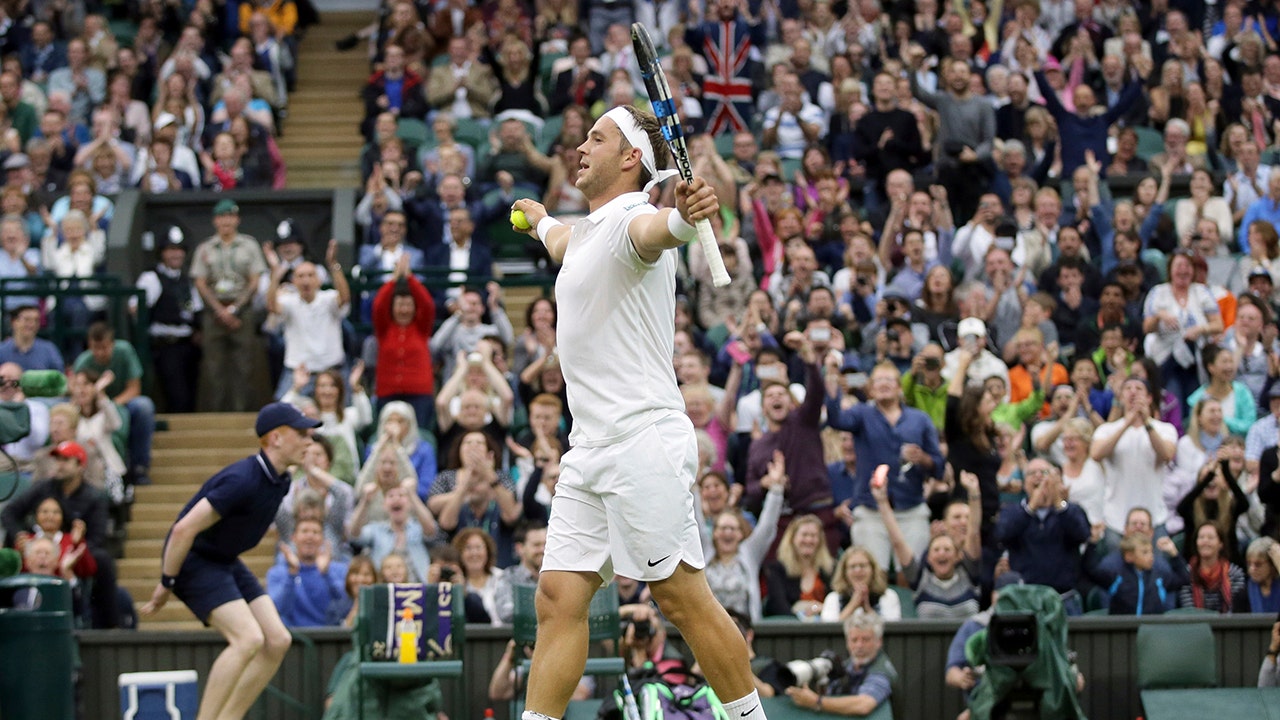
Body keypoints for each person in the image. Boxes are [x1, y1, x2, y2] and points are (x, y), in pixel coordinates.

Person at [508, 104, 769, 720]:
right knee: (557, 599)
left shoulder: (633, 223)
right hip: (587, 451)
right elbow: (560, 239)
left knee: (681, 599)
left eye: (595, 139)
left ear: (630, 158)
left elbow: (660, 231)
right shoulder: (586, 233)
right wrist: (538, 219)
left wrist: (683, 217)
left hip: (642, 441)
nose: (580, 148)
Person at [139, 403, 320, 720]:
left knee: (278, 640)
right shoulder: (242, 479)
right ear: (275, 438)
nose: (309, 440)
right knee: (248, 639)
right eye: (301, 433)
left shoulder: (282, 480)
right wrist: (167, 581)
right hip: (194, 560)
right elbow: (183, 529)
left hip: (223, 559)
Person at [1, 441, 117, 627]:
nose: (59, 465)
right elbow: (9, 512)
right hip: (37, 544)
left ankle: (108, 625)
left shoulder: (94, 497)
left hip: (75, 549)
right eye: (58, 460)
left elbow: (97, 537)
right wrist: (19, 536)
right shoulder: (43, 487)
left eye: (65, 460)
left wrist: (72, 546)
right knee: (9, 553)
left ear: (80, 465)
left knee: (102, 560)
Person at [190, 199, 267, 412]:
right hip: (213, 311)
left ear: (237, 219)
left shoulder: (249, 245)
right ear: (215, 220)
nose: (226, 221)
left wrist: (234, 309)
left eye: (230, 216)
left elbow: (254, 281)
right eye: (222, 216)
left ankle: (240, 413)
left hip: (242, 310)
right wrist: (219, 310)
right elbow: (200, 283)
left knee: (244, 365)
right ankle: (216, 415)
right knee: (213, 366)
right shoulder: (206, 247)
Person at [994, 458, 1091, 615]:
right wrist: (1031, 508)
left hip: (1064, 599)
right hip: (1025, 599)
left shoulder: (1071, 510)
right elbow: (1002, 534)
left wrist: (1058, 502)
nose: (1038, 476)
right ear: (1024, 483)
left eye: (1044, 472)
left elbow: (1082, 534)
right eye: (1032, 473)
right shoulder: (1012, 511)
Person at [698, 450, 785, 621]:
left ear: (740, 534)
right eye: (723, 528)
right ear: (714, 533)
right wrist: (693, 485)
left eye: (732, 529)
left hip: (743, 628)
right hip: (710, 627)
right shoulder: (705, 552)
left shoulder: (749, 553)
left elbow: (767, 526)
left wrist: (776, 488)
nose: (727, 533)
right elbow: (697, 521)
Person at [71, 321, 155, 486]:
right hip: (92, 410)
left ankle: (139, 467)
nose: (100, 352)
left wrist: (111, 404)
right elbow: (76, 394)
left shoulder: (125, 351)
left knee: (144, 406)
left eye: (104, 347)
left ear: (112, 344)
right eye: (95, 348)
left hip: (121, 403)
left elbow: (134, 388)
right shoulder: (83, 362)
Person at [783, 610, 898, 716]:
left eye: (865, 640)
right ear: (847, 642)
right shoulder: (847, 665)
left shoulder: (881, 670)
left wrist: (816, 701)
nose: (859, 645)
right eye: (854, 640)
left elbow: (863, 705)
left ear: (879, 642)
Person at [266, 516, 349, 627]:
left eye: (315, 532)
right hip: (294, 635)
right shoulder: (277, 573)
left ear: (323, 539)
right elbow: (278, 610)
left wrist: (327, 575)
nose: (310, 536)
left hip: (330, 634)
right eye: (304, 531)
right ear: (293, 538)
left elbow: (345, 608)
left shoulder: (340, 570)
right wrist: (291, 574)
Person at [1177, 521, 1245, 613]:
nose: (1205, 541)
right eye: (1201, 537)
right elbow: (1189, 610)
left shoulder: (1235, 574)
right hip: (1196, 620)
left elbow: (1235, 608)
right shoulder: (1187, 574)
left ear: (1220, 544)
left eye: (1210, 538)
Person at [822, 546, 903, 622]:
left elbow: (891, 628)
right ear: (844, 572)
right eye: (852, 566)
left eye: (862, 566)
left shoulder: (888, 596)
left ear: (873, 570)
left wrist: (867, 609)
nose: (858, 570)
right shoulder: (833, 598)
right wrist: (853, 605)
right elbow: (828, 629)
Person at [1236, 537, 1280, 614]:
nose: (1252, 569)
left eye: (1258, 564)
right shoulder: (1242, 594)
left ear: (1272, 565)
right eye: (1249, 564)